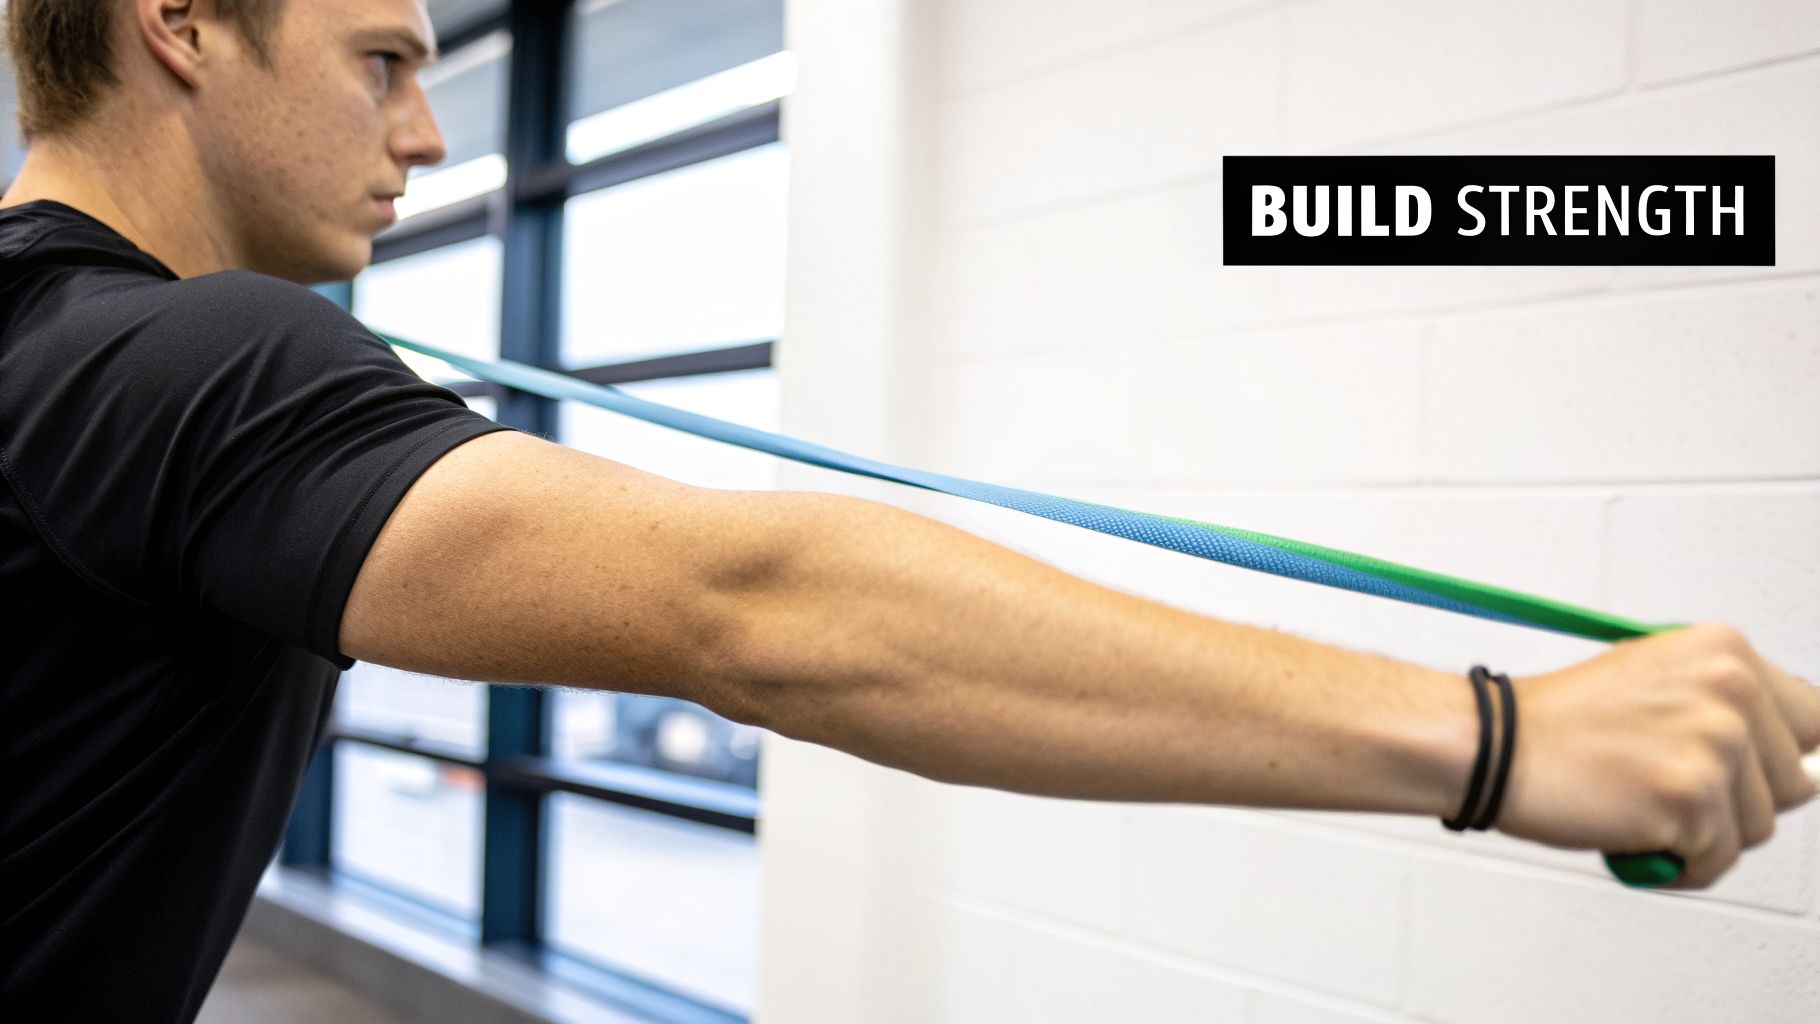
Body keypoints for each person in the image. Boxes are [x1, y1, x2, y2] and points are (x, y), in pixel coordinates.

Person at [1, 1, 1815, 1021]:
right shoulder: (174, 361)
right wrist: (1499, 739)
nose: (429, 137)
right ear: (180, 23)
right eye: (382, 62)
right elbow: (760, 607)